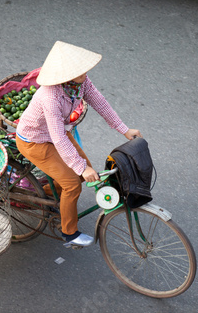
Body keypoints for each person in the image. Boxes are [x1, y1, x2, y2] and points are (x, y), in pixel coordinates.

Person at [16, 41, 142, 247]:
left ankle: (50, 194)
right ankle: (69, 233)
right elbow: (57, 138)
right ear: (65, 73)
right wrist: (80, 168)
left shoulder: (80, 83)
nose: (85, 72)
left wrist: (124, 129)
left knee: (85, 174)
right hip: (35, 142)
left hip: (56, 136)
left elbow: (100, 102)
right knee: (73, 183)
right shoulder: (51, 96)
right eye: (78, 70)